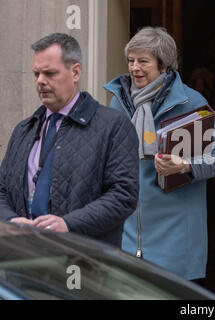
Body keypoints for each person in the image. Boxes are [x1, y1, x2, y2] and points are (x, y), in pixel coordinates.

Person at [104, 27, 215, 280]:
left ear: (164, 66)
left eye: (143, 61)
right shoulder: (118, 102)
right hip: (128, 237)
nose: (134, 68)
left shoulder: (190, 102)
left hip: (174, 241)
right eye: (131, 61)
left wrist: (185, 164)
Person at [0, 33, 139, 247]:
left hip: (85, 263)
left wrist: (68, 224)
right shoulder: (23, 130)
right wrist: (11, 220)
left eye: (49, 73)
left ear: (75, 72)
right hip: (26, 258)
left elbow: (123, 196)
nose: (40, 81)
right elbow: (2, 190)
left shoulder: (114, 125)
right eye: (36, 74)